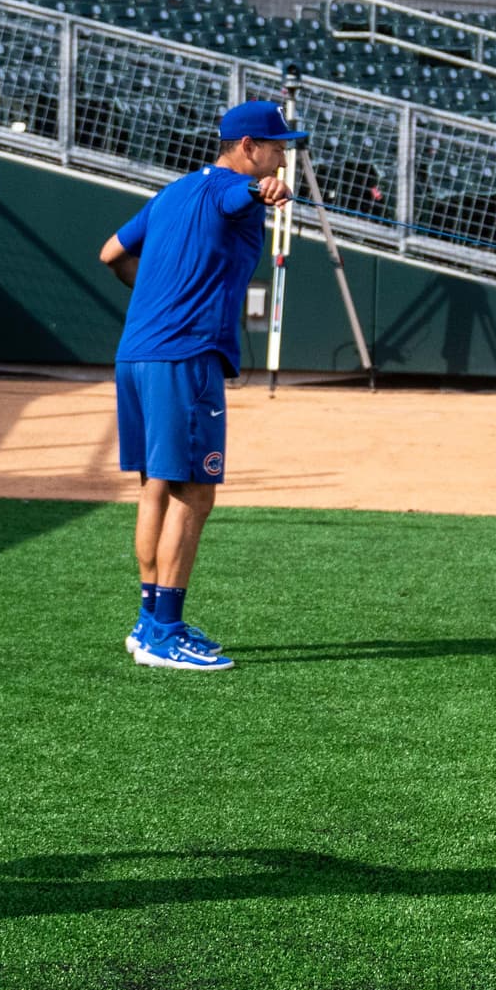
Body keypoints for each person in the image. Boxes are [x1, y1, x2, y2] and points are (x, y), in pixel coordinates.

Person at [98, 98, 300, 671]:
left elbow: (111, 253)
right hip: (185, 359)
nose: (282, 158)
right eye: (277, 147)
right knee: (195, 493)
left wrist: (150, 295)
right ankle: (164, 632)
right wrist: (264, 194)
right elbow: (239, 195)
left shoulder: (173, 192)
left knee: (156, 487)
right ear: (247, 147)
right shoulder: (234, 191)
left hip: (136, 355)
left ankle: (149, 623)